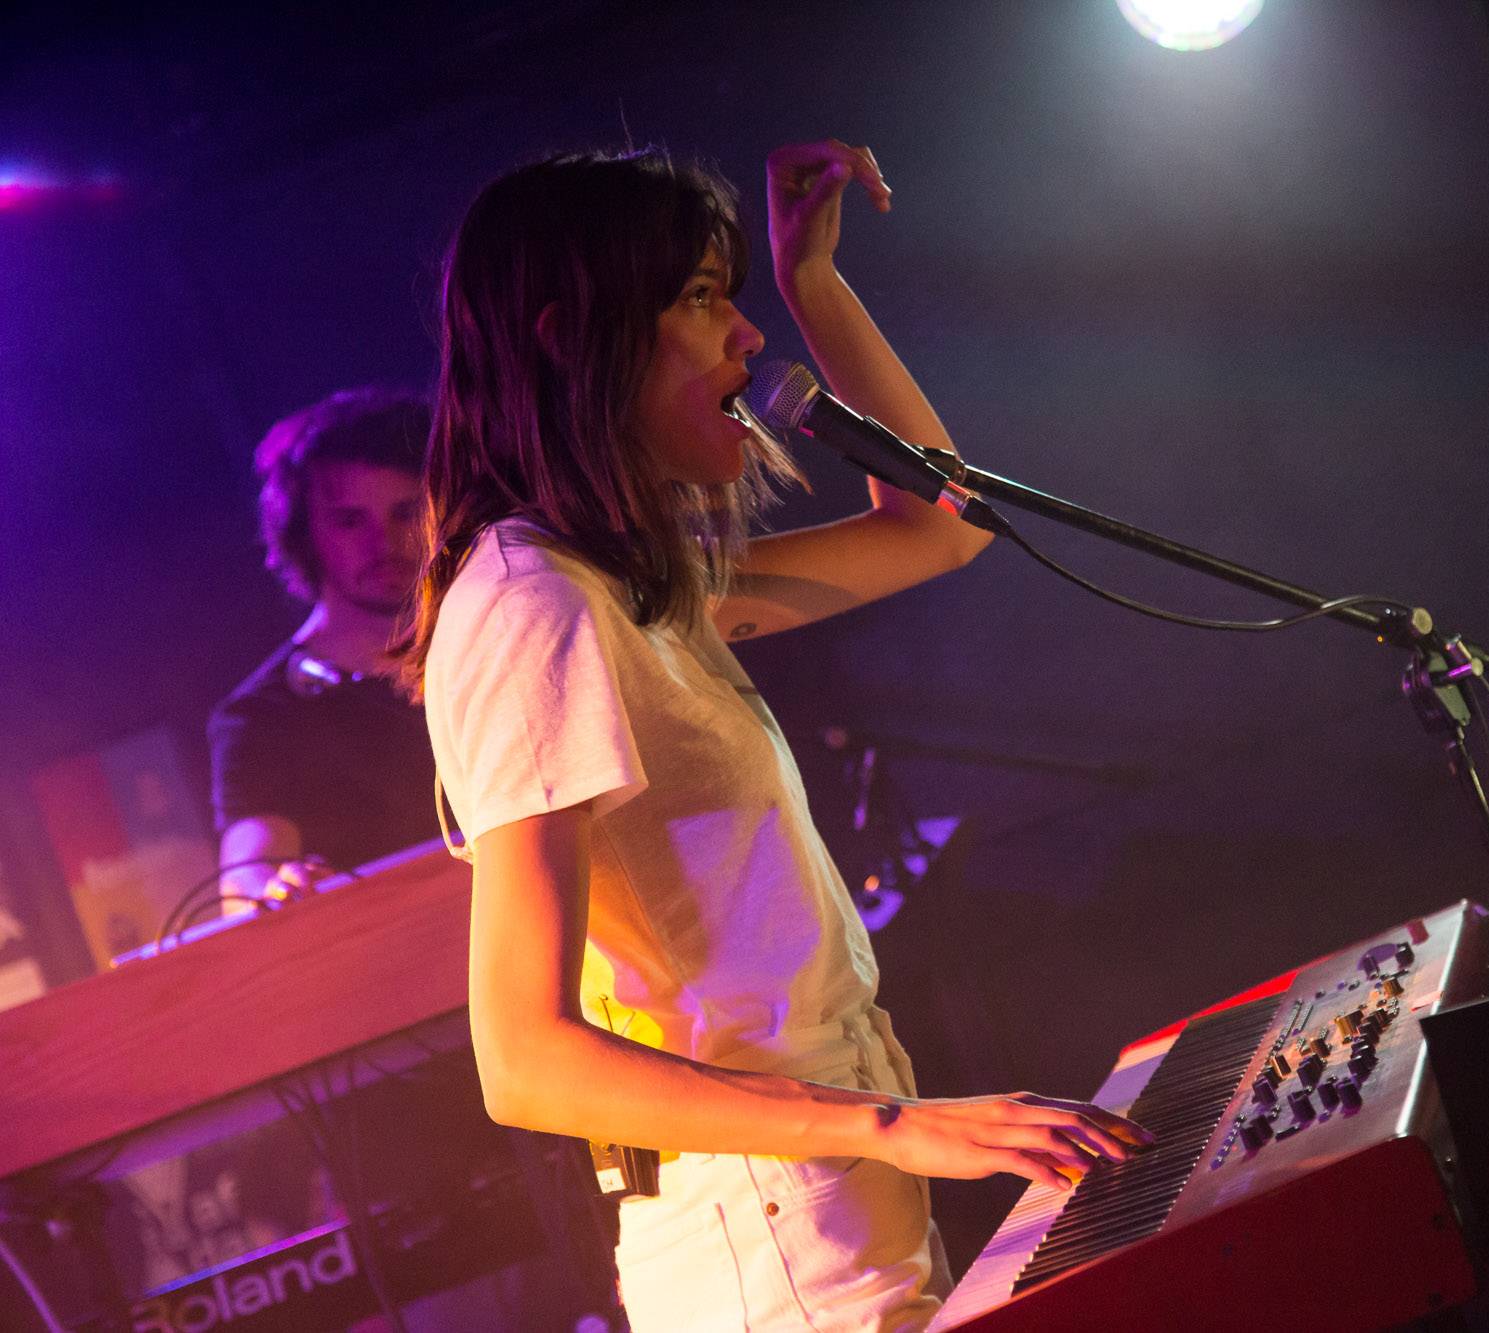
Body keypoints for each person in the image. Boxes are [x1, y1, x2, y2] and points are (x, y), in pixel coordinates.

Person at [399, 139, 1148, 1331]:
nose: (747, 338)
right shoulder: (530, 604)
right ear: (567, 337)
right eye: (702, 299)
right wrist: (896, 1127)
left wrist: (819, 287)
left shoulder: (619, 583)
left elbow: (936, 528)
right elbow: (524, 1058)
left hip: (812, 1193)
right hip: (764, 1222)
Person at [207, 388, 442, 904]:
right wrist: (266, 890)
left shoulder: (493, 649)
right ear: (303, 532)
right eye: (350, 520)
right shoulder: (262, 718)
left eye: (406, 511)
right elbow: (246, 878)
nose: (384, 542)